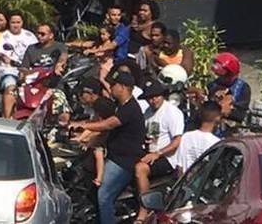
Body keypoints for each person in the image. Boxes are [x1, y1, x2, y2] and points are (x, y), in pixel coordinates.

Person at [70, 71, 145, 224]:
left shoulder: (130, 108)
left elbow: (107, 125)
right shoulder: (119, 106)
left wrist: (81, 125)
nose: (110, 87)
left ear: (123, 87)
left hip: (124, 161)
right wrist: (88, 142)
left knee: (104, 195)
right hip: (114, 156)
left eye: (113, 84)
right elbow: (106, 132)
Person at [133, 79, 184, 222]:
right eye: (149, 97)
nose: (153, 100)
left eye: (156, 96)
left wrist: (158, 153)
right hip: (148, 151)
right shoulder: (147, 113)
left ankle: (144, 210)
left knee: (140, 168)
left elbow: (177, 141)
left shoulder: (172, 113)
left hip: (167, 158)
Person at [0, 12, 38, 118]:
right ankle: (7, 119)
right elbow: (0, 53)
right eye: (13, 22)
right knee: (11, 88)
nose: (15, 25)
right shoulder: (5, 36)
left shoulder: (30, 36)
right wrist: (6, 59)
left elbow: (37, 52)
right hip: (9, 69)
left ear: (22, 23)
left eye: (18, 22)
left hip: (27, 70)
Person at [204, 51, 250, 135]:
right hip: (212, 130)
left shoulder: (242, 88)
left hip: (232, 132)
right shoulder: (212, 86)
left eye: (225, 76)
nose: (222, 79)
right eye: (219, 76)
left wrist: (224, 110)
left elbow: (241, 115)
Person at [173, 101, 221, 175]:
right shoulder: (217, 143)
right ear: (217, 118)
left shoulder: (186, 136)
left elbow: (180, 167)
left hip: (185, 182)